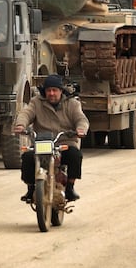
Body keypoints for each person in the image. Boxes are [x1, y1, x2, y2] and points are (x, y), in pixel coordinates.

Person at [13, 74, 89, 202]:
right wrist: (21, 125)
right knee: (27, 157)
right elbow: (26, 114)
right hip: (41, 142)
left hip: (64, 142)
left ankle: (70, 187)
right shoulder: (36, 102)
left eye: (55, 90)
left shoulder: (72, 104)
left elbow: (81, 119)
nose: (51, 93)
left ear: (61, 91)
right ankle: (31, 189)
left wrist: (80, 129)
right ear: (45, 92)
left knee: (75, 155)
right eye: (49, 90)